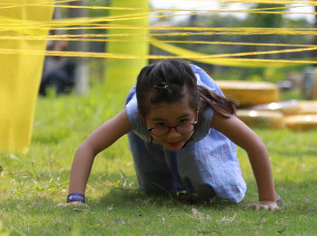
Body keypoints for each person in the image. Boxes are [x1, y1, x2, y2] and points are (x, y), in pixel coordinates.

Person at [63, 59, 279, 209]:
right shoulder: (134, 113)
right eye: (161, 124)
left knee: (219, 189)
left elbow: (254, 145)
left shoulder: (208, 111)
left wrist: (268, 199)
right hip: (154, 129)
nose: (174, 135)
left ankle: (180, 135)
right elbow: (88, 147)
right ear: (143, 117)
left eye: (182, 122)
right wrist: (75, 198)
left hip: (194, 118)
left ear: (196, 110)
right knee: (156, 189)